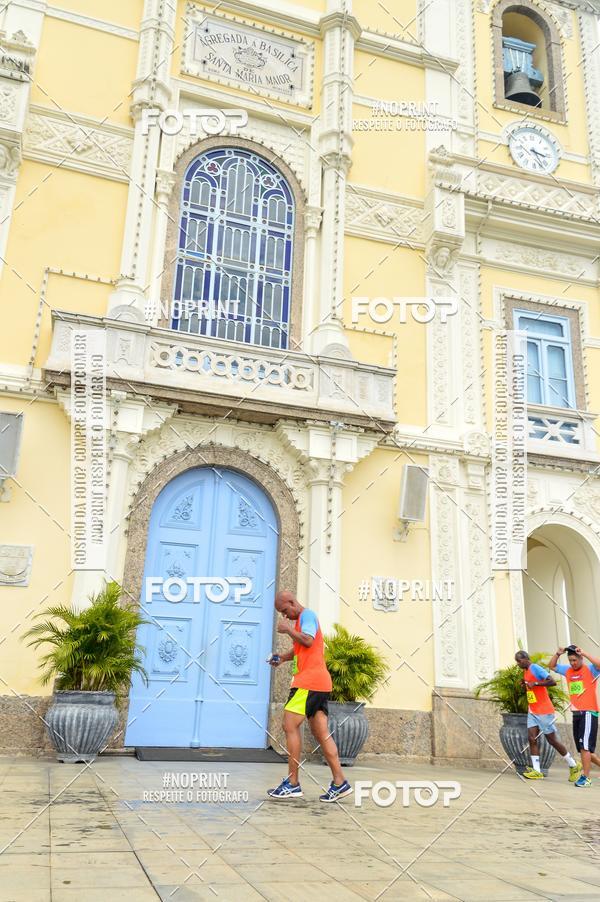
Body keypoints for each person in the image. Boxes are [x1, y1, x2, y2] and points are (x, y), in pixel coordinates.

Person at [266, 590, 352, 802]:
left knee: (289, 725)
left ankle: (292, 783)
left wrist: (287, 630)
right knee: (322, 733)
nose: (284, 616)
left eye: (285, 611)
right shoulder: (301, 621)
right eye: (282, 613)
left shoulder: (307, 616)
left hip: (308, 683)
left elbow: (308, 641)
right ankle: (340, 783)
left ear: (292, 602)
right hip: (319, 683)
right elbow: (301, 648)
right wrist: (282, 658)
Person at [514, 650, 581, 782]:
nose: (518, 664)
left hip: (544, 711)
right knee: (532, 738)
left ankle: (573, 764)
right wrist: (525, 684)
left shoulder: (535, 668)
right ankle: (537, 771)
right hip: (533, 710)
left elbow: (552, 681)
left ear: (526, 659)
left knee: (552, 740)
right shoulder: (526, 671)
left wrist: (535, 683)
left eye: (519, 661)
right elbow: (532, 686)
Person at [549, 645, 600, 788]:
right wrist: (557, 654)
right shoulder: (568, 670)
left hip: (588, 712)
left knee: (585, 748)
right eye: (570, 660)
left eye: (575, 660)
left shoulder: (591, 669)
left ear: (581, 658)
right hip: (576, 714)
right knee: (585, 750)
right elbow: (552, 666)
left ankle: (586, 778)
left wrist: (585, 652)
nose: (573, 663)